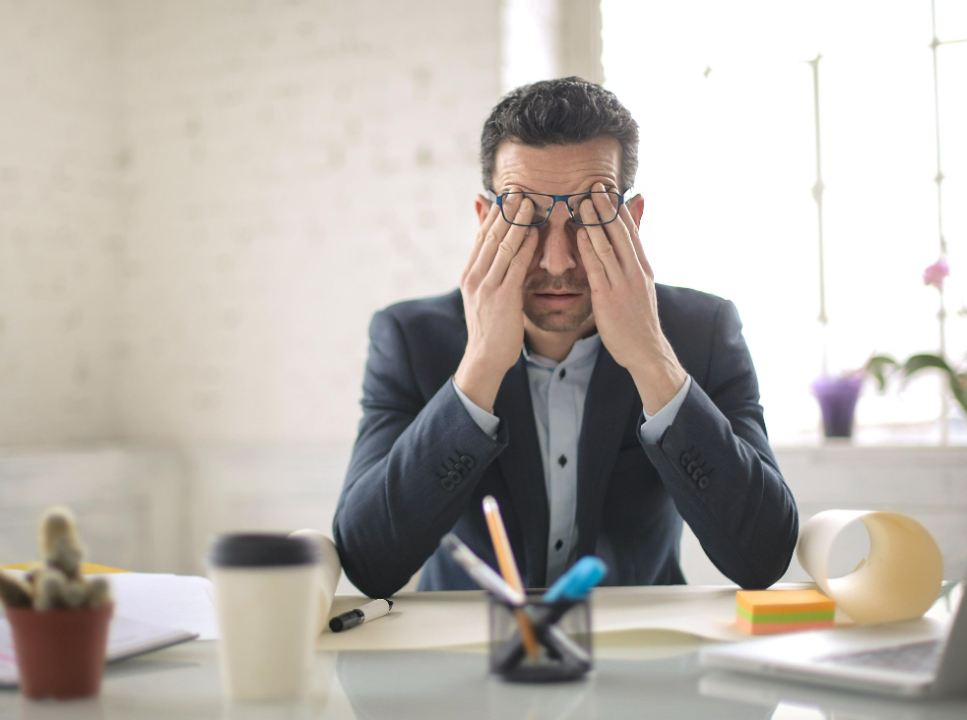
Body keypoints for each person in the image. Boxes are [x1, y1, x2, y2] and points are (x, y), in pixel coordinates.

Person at [333, 77, 798, 598]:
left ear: (632, 221)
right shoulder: (410, 339)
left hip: (642, 652)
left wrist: (651, 358)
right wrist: (480, 366)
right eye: (525, 218)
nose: (558, 263)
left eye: (589, 218)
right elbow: (368, 562)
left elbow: (763, 558)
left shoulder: (702, 331)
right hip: (465, 655)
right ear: (486, 221)